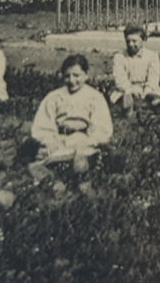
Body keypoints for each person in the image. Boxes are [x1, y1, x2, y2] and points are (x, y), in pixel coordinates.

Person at [27, 54, 113, 193]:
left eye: (76, 75)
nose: (72, 80)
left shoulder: (95, 97)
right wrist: (49, 139)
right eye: (67, 76)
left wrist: (90, 141)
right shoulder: (54, 96)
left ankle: (80, 179)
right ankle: (54, 180)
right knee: (46, 155)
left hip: (82, 140)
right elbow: (43, 124)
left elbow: (101, 128)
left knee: (84, 156)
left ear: (86, 75)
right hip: (59, 138)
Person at [111, 23, 160, 117]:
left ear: (143, 40)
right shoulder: (119, 56)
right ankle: (129, 107)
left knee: (153, 97)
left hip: (146, 88)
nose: (130, 44)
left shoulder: (152, 56)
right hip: (128, 89)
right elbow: (119, 78)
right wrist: (129, 89)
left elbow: (153, 77)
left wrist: (146, 90)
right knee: (121, 98)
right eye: (128, 41)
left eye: (134, 41)